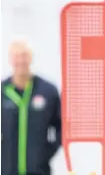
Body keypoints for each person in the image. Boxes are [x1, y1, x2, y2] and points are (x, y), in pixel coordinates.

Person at [1, 40, 62, 175]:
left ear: (30, 58)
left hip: (39, 170)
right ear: (10, 59)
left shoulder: (48, 91)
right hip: (8, 170)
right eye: (17, 56)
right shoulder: (3, 91)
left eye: (24, 55)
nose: (21, 61)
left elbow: (62, 127)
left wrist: (46, 152)